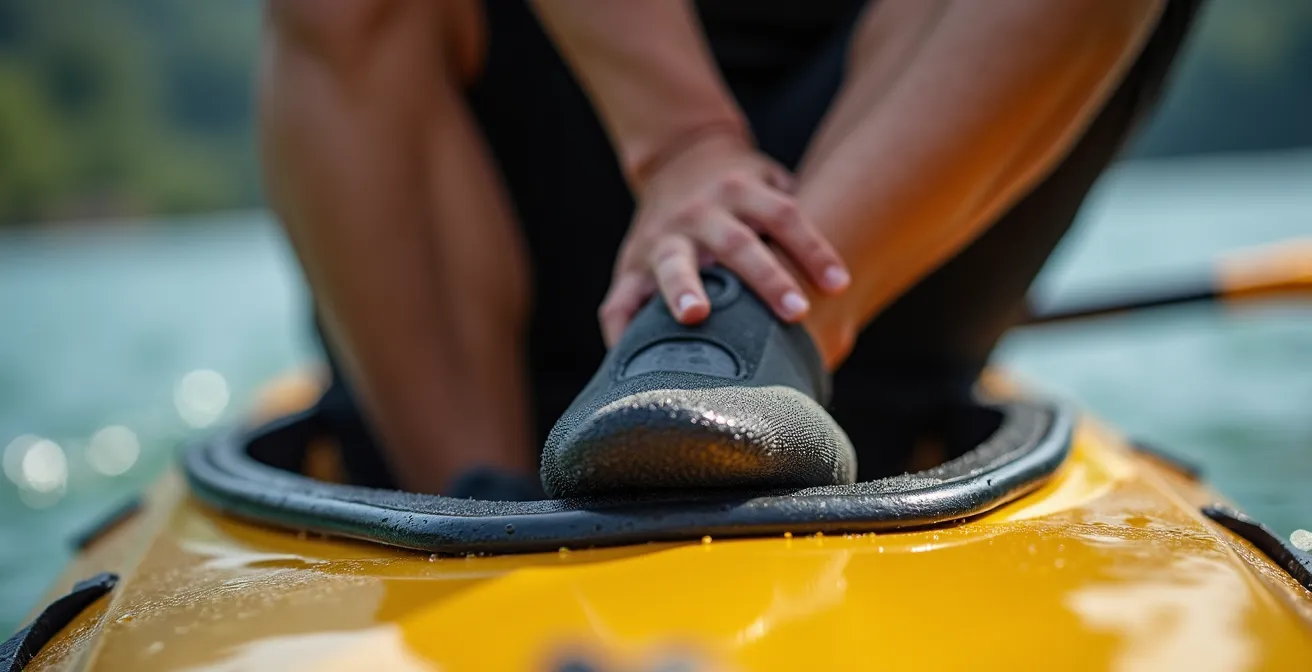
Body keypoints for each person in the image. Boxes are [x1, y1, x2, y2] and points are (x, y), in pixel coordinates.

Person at [260, 0, 1201, 497]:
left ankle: (767, 329)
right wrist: (680, 144)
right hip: (553, 180)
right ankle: (475, 499)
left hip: (888, 235)